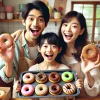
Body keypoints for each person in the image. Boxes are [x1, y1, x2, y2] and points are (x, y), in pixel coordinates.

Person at [0, 0, 50, 97]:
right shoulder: (13, 44)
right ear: (23, 21)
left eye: (40, 20)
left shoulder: (48, 45)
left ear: (46, 24)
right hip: (20, 95)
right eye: (31, 19)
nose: (35, 24)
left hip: (43, 95)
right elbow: (7, 79)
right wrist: (8, 63)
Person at [14, 32, 83, 100]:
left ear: (59, 50)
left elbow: (69, 97)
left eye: (53, 46)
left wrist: (76, 87)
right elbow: (32, 98)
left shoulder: (65, 70)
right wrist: (19, 88)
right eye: (45, 46)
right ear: (39, 49)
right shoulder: (33, 70)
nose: (49, 50)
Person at [58, 11, 100, 97]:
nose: (68, 29)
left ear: (81, 31)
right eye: (65, 25)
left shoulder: (88, 55)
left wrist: (87, 73)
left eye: (74, 26)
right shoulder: (55, 52)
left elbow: (95, 92)